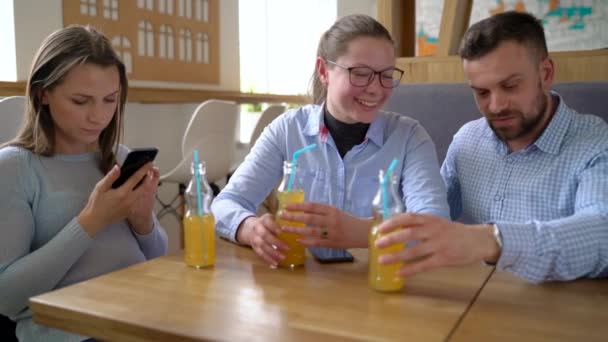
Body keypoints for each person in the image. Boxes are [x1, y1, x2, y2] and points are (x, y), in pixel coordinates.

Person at [375, 11, 608, 283]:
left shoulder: (596, 144)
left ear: (545, 74)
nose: (495, 106)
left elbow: (601, 232)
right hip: (469, 304)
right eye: (482, 93)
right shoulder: (467, 139)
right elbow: (430, 212)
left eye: (510, 86)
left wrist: (491, 240)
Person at [212, 14, 449, 266]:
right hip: (300, 282)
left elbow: (435, 226)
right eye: (360, 73)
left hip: (381, 284)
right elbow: (225, 204)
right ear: (324, 71)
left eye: (386, 75)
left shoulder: (409, 137)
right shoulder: (288, 130)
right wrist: (250, 229)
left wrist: (361, 232)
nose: (376, 89)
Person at [0, 26, 168, 341]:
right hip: (74, 334)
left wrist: (143, 220)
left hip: (142, 320)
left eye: (110, 100)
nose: (99, 116)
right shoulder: (14, 168)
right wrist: (93, 220)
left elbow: (156, 261)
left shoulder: (119, 158)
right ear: (43, 93)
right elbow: (7, 298)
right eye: (81, 101)